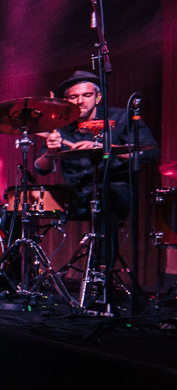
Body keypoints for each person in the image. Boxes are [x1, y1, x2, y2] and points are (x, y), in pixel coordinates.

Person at [34, 70, 159, 280]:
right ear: (67, 100)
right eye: (73, 97)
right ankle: (15, 275)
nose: (80, 101)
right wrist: (50, 151)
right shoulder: (62, 127)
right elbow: (41, 168)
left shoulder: (120, 118)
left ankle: (100, 274)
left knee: (102, 196)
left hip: (115, 190)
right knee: (17, 203)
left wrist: (104, 147)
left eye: (86, 95)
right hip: (75, 195)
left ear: (98, 97)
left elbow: (150, 152)